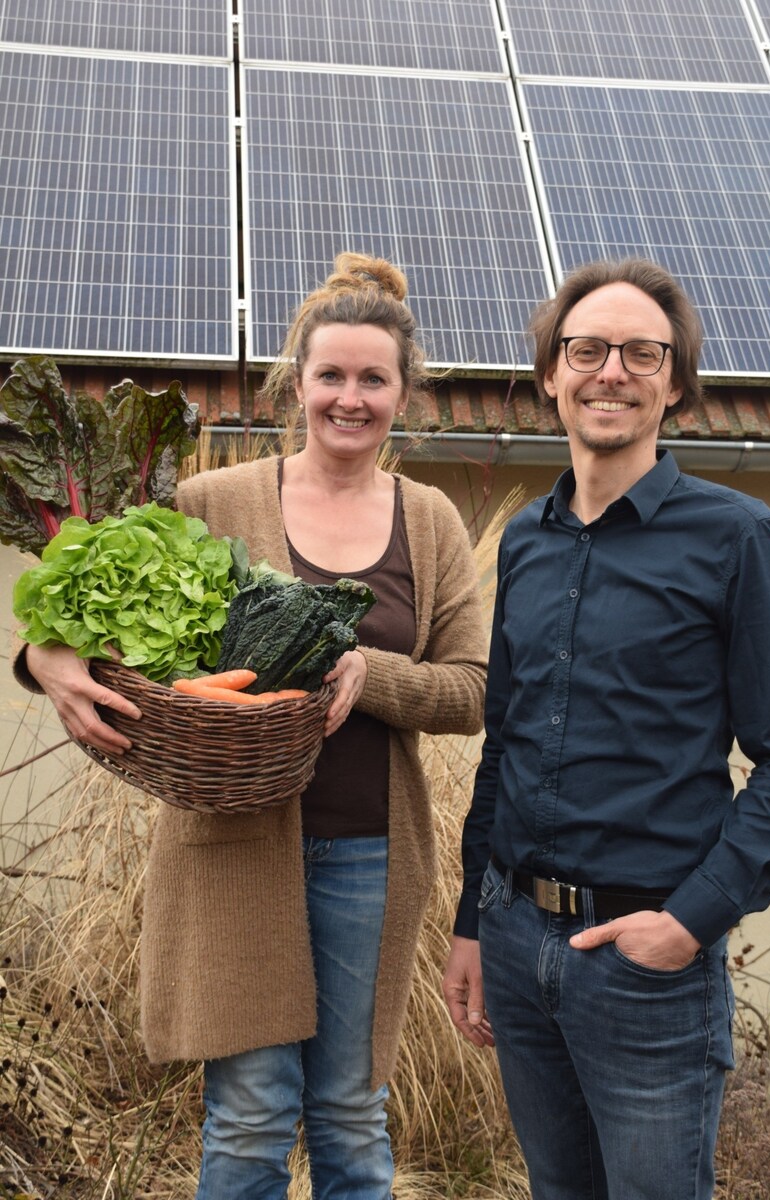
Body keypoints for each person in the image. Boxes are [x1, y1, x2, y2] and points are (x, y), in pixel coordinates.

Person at [15, 253, 488, 1200]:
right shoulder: (211, 501)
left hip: (370, 853)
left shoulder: (430, 521)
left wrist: (371, 670)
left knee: (353, 1117)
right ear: (296, 383)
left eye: (372, 379)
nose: (349, 399)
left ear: (403, 394)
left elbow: (474, 689)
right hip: (231, 852)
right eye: (330, 376)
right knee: (249, 1118)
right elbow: (88, 616)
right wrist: (44, 661)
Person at [442, 257, 770, 1200]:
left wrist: (691, 921)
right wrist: (474, 924)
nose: (612, 370)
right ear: (551, 375)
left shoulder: (739, 539)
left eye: (642, 353)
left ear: (674, 383)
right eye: (588, 349)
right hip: (518, 947)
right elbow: (504, 740)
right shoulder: (526, 539)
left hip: (647, 965)